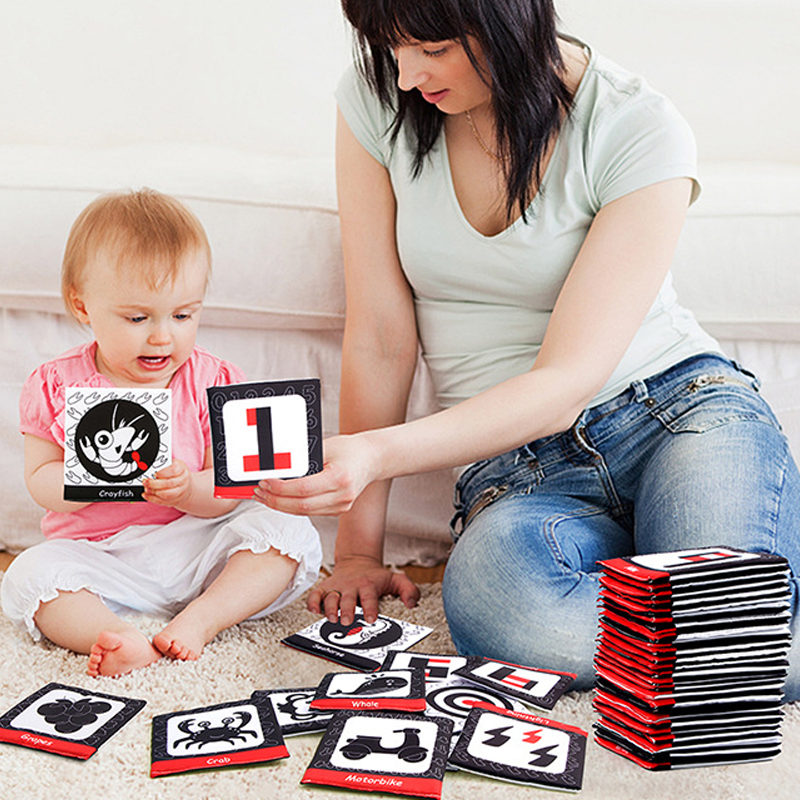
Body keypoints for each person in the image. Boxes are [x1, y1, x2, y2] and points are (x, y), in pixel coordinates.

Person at [254, 0, 800, 698]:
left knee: (719, 603)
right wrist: (358, 551)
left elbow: (566, 381)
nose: (407, 75)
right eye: (392, 47)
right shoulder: (376, 101)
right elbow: (381, 336)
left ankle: (724, 624)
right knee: (508, 611)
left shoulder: (637, 125)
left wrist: (377, 452)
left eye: (433, 48)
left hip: (677, 415)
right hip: (520, 474)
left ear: (509, 18)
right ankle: (732, 637)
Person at [1, 189, 322, 677]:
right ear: (83, 306)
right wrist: (88, 478)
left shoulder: (215, 381)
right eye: (137, 318)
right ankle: (117, 636)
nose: (162, 336)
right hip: (102, 557)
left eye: (183, 315)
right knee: (28, 575)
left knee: (287, 531)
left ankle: (202, 619)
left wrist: (190, 488)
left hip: (198, 544)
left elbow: (229, 490)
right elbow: (38, 476)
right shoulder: (55, 384)